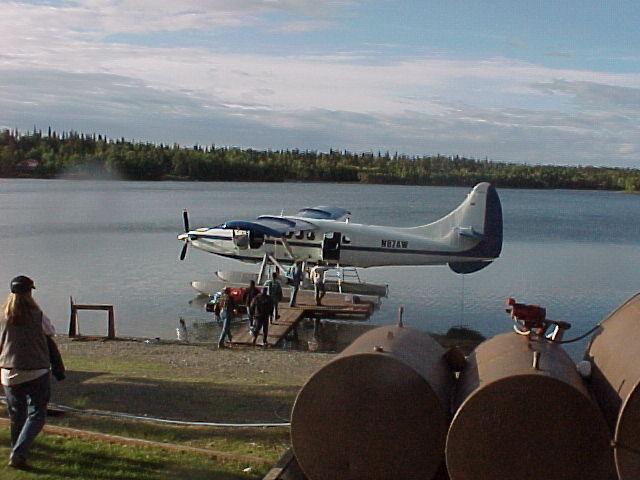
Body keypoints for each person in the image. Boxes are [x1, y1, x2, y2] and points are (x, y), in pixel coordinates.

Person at [0, 275, 63, 469]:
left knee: (16, 414)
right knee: (37, 414)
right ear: (29, 292)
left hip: (8, 372)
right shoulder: (37, 315)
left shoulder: (3, 316)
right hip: (36, 370)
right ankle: (19, 453)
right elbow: (50, 331)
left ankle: (17, 449)